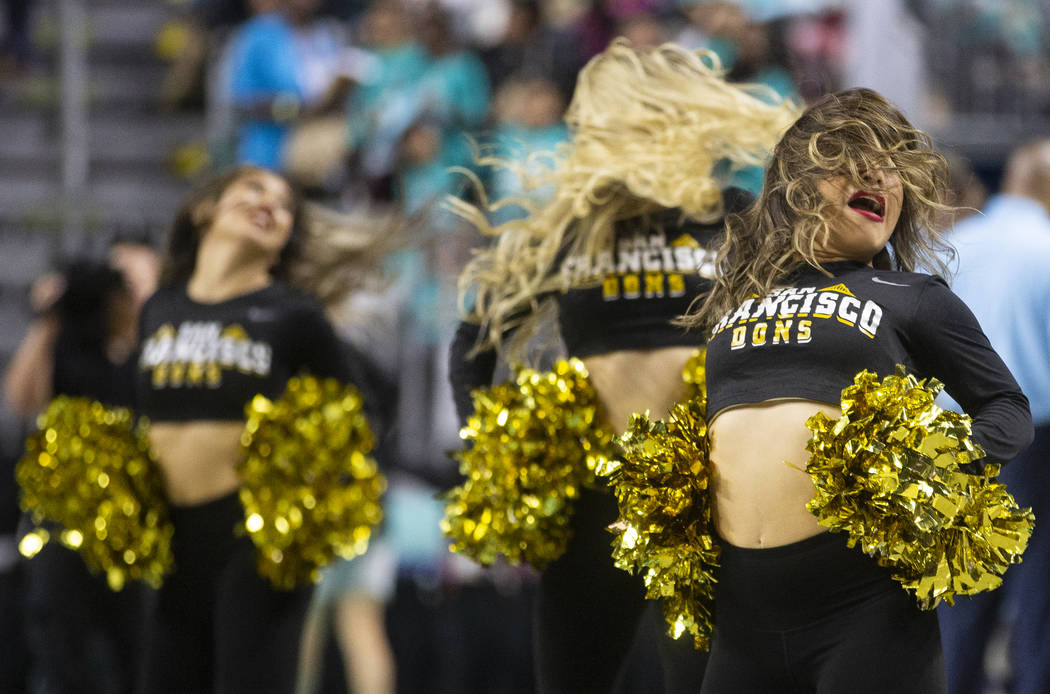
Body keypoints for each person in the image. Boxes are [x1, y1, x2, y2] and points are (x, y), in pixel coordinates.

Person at [447, 41, 797, 694]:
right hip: (590, 498)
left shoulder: (736, 215)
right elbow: (473, 345)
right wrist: (488, 448)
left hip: (707, 494)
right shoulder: (569, 227)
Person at [682, 88, 1033, 693]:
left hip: (861, 605)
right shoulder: (738, 303)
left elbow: (1007, 409)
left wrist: (933, 466)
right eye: (852, 159)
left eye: (893, 165)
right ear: (798, 185)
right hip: (744, 614)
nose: (880, 176)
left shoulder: (912, 298)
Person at [134, 165, 386, 694]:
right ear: (207, 210)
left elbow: (359, 413)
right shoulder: (160, 307)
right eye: (254, 189)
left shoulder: (293, 313)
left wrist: (309, 478)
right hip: (173, 539)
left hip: (253, 538)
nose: (273, 204)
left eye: (286, 204)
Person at [4, 242, 161, 694]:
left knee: (140, 650)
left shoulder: (162, 344)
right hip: (64, 514)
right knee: (59, 645)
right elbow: (20, 400)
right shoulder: (71, 337)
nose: (119, 288)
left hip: (137, 519)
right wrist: (49, 318)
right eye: (114, 275)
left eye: (132, 278)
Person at [937, 139, 1050, 694]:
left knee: (960, 580)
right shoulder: (1047, 247)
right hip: (1034, 439)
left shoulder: (953, 244)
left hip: (949, 433)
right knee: (1038, 585)